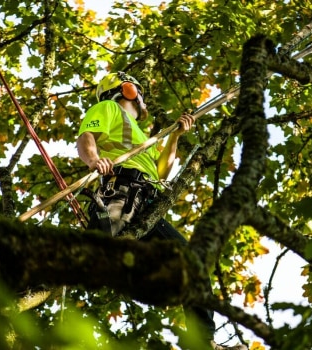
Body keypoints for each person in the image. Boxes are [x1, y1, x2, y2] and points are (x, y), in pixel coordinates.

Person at [77, 71, 247, 350]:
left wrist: (176, 137)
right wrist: (95, 161)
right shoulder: (108, 108)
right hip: (122, 193)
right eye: (139, 92)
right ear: (128, 90)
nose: (142, 99)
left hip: (145, 200)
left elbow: (160, 173)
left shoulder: (141, 135)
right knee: (113, 247)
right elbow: (86, 137)